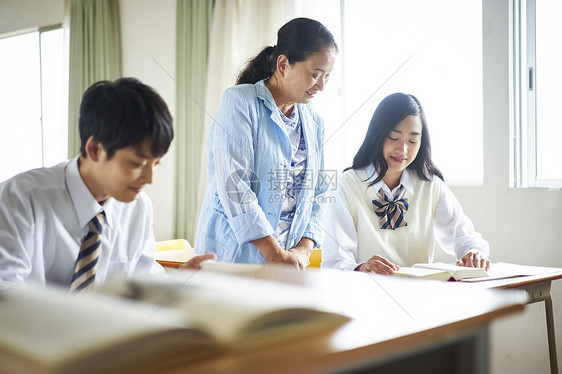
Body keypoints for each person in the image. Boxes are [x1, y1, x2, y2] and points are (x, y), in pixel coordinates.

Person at [0, 78, 215, 290]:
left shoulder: (138, 207)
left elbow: (144, 279)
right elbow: (7, 296)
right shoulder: (18, 199)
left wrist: (176, 284)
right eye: (137, 163)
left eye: (156, 164)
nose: (150, 178)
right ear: (95, 149)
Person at [195, 18, 338, 269]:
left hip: (287, 263)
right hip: (233, 260)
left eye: (327, 76)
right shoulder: (240, 102)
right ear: (283, 64)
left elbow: (319, 193)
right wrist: (275, 255)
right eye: (315, 74)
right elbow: (234, 186)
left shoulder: (314, 120)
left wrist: (302, 251)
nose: (322, 86)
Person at [321, 93, 490, 274]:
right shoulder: (344, 186)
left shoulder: (430, 185)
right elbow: (336, 261)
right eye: (394, 138)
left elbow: (467, 237)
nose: (403, 150)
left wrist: (474, 252)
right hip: (366, 292)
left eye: (412, 141)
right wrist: (361, 268)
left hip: (420, 293)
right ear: (376, 135)